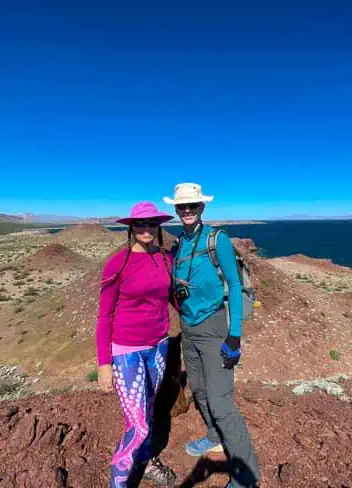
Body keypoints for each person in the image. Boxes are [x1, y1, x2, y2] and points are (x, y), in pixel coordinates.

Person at [164, 183, 261, 488]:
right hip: (189, 329)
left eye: (193, 205)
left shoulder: (216, 240)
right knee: (201, 391)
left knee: (221, 403)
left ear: (202, 207)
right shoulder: (178, 246)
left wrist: (234, 337)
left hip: (215, 327)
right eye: (182, 207)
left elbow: (233, 284)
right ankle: (213, 435)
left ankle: (247, 476)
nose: (188, 211)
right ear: (176, 210)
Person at [96, 201, 178, 488]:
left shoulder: (166, 259)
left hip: (159, 345)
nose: (146, 229)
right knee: (139, 424)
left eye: (151, 223)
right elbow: (105, 314)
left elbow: (173, 299)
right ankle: (118, 483)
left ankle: (145, 460)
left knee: (150, 409)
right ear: (132, 228)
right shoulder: (118, 263)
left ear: (158, 227)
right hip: (126, 351)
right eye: (140, 224)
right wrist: (104, 364)